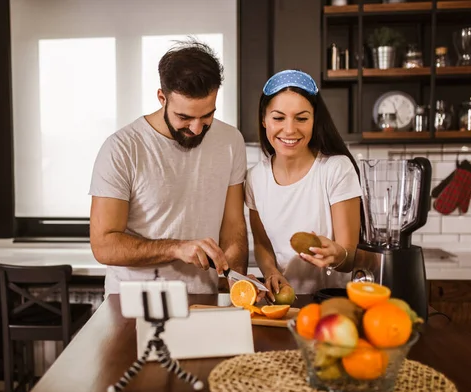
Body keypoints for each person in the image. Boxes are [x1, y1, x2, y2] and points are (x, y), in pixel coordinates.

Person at [89, 39, 248, 296]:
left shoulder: (231, 141)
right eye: (184, 117)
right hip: (131, 305)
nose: (197, 128)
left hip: (202, 299)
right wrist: (175, 248)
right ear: (162, 97)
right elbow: (104, 245)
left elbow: (233, 227)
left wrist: (235, 279)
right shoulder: (122, 148)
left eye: (207, 115)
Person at [245, 69, 362, 300]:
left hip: (333, 303)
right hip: (283, 303)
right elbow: (262, 244)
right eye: (278, 118)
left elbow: (350, 258)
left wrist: (337, 254)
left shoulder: (336, 169)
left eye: (301, 118)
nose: (289, 129)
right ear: (263, 119)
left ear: (314, 120)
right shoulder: (255, 178)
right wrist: (270, 272)